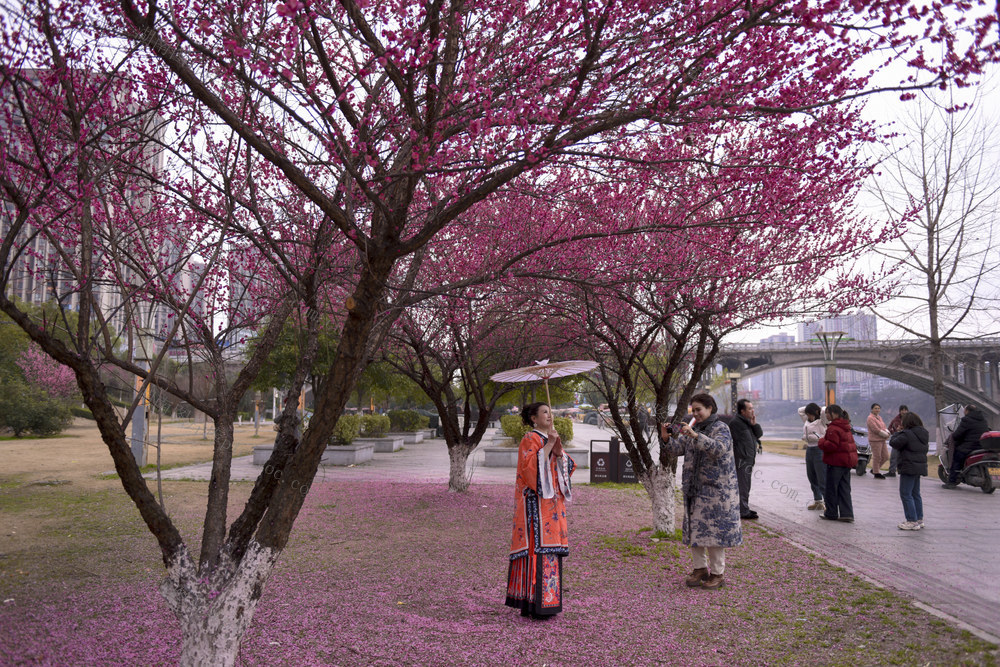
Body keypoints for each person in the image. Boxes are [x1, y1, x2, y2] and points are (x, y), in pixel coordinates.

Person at [660, 393, 742, 590]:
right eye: (693, 410)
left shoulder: (721, 428)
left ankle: (717, 574)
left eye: (699, 410)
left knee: (714, 534)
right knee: (696, 531)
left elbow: (719, 449)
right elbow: (677, 449)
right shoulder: (693, 428)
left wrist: (695, 436)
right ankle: (699, 569)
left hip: (717, 492)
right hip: (695, 490)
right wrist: (666, 437)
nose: (695, 413)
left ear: (710, 408)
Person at [505, 402, 575, 619]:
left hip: (553, 507)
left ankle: (548, 602)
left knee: (551, 550)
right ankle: (534, 604)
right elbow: (529, 469)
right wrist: (549, 445)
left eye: (550, 411)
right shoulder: (530, 438)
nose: (549, 415)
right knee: (536, 551)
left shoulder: (551, 438)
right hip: (535, 507)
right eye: (545, 412)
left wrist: (559, 453)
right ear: (534, 419)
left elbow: (567, 468)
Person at [889, 412, 929, 530]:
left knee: (906, 493)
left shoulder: (906, 434)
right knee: (915, 493)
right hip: (919, 466)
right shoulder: (924, 433)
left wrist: (897, 432)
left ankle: (911, 520)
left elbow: (893, 443)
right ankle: (919, 519)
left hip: (908, 466)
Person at [817, 404, 857, 522]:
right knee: (844, 489)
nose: (826, 415)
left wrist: (821, 442)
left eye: (827, 413)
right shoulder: (846, 426)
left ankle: (831, 513)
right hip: (846, 462)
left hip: (835, 462)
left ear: (834, 413)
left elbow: (831, 446)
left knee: (831, 489)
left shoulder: (833, 428)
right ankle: (847, 514)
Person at [728, 398, 762, 520]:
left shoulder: (747, 422)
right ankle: (743, 511)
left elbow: (759, 434)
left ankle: (744, 508)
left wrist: (754, 424)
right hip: (741, 461)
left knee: (746, 485)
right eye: (750, 408)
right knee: (742, 486)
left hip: (748, 460)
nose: (753, 410)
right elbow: (732, 443)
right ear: (743, 411)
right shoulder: (736, 423)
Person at [944, 404, 990, 489]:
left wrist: (953, 437)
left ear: (967, 411)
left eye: (964, 410)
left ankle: (951, 482)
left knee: (957, 458)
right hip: (982, 446)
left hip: (970, 446)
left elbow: (957, 435)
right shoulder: (983, 420)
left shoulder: (966, 420)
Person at [800, 403, 827, 511]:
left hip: (819, 449)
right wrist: (810, 409)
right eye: (807, 414)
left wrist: (818, 409)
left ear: (816, 412)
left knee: (822, 478)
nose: (809, 416)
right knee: (811, 477)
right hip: (809, 449)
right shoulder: (807, 421)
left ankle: (829, 504)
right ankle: (818, 501)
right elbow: (800, 410)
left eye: (810, 414)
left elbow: (824, 410)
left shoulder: (822, 421)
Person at [866, 403, 891, 479]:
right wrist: (886, 435)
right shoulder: (870, 418)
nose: (877, 410)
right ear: (872, 409)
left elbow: (883, 427)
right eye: (875, 408)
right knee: (877, 457)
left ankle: (874, 469)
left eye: (878, 408)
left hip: (882, 439)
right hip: (875, 440)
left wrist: (887, 432)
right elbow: (875, 429)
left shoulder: (879, 417)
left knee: (886, 456)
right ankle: (876, 472)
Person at [885, 405, 909, 478]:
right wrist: (895, 432)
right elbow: (889, 428)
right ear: (900, 411)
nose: (904, 412)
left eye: (905, 410)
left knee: (905, 457)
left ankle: (904, 471)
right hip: (897, 439)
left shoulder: (910, 419)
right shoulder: (895, 419)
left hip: (906, 440)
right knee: (894, 456)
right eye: (902, 410)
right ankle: (892, 471)